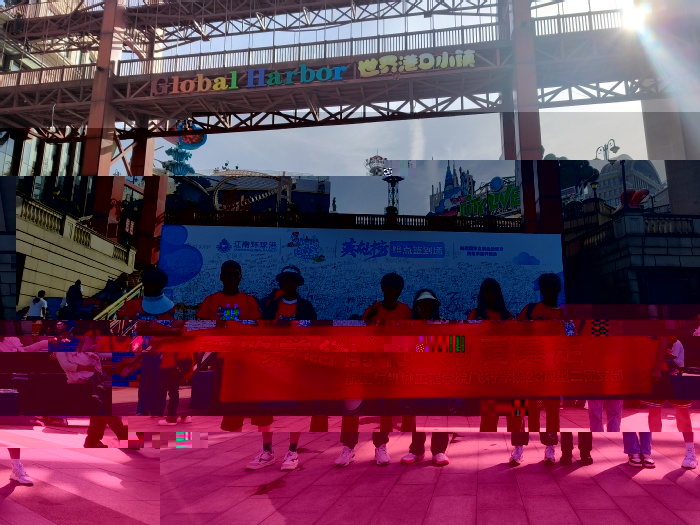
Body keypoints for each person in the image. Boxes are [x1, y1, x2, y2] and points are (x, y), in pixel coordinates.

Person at [232, 265, 316, 471]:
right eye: (284, 280)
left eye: (292, 280)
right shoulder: (269, 308)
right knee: (265, 410)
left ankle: (293, 452)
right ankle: (267, 451)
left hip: (295, 367)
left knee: (295, 411)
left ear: (298, 283)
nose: (288, 283)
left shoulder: (307, 308)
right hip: (270, 365)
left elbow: (313, 336)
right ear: (280, 283)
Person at [335, 272, 411, 468]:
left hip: (390, 369)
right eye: (388, 287)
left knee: (383, 409)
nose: (392, 291)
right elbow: (363, 337)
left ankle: (381, 446)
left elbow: (410, 338)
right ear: (382, 288)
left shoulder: (405, 311)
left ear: (400, 290)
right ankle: (348, 447)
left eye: (396, 288)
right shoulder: (372, 310)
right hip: (367, 368)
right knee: (353, 407)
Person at [117, 266, 191, 425]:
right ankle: (142, 410)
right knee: (145, 384)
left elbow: (178, 331)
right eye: (148, 283)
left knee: (160, 385)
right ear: (143, 283)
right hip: (147, 352)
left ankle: (157, 411)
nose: (150, 287)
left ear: (161, 285)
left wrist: (156, 332)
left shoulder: (173, 309)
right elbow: (132, 327)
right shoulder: (131, 305)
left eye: (155, 284)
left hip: (164, 355)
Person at [508, 273, 566, 467]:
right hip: (526, 370)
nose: (548, 290)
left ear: (558, 289)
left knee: (551, 411)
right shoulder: (530, 309)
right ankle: (518, 448)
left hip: (550, 372)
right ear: (540, 289)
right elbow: (515, 333)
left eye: (551, 286)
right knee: (518, 410)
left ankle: (550, 447)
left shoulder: (564, 315)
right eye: (544, 286)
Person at [400, 289, 450, 467]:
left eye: (430, 303)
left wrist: (423, 345)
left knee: (439, 414)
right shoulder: (408, 326)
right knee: (417, 414)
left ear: (435, 305)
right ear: (416, 306)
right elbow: (405, 347)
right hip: (416, 378)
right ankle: (416, 450)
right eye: (422, 304)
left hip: (439, 378)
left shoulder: (445, 323)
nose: (426, 307)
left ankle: (439, 451)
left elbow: (456, 346)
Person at [642, 335, 697, 469]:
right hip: (657, 372)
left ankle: (690, 451)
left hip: (677, 373)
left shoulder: (677, 342)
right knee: (654, 410)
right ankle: (653, 451)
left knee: (682, 411)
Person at [196, 260, 261, 321]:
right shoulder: (209, 301)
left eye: (235, 274)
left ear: (240, 277)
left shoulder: (249, 301)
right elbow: (202, 325)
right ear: (221, 277)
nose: (232, 277)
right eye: (228, 274)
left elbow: (256, 325)